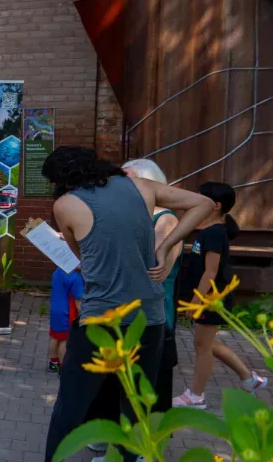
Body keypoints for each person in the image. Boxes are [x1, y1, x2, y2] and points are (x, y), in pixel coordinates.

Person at [41, 146, 214, 462]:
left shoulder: (65, 205)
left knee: (70, 403)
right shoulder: (141, 186)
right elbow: (203, 204)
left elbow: (82, 259)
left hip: (100, 319)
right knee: (134, 406)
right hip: (147, 318)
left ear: (59, 180)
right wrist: (166, 247)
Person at [171, 182, 268, 409]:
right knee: (206, 343)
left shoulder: (214, 233)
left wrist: (195, 303)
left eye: (200, 199)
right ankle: (249, 379)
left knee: (202, 346)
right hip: (205, 299)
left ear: (215, 206)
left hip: (211, 300)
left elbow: (211, 272)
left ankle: (196, 396)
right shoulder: (208, 230)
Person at [121, 158, 184, 414]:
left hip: (152, 314)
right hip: (127, 309)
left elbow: (153, 270)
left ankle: (148, 443)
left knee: (150, 382)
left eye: (127, 181)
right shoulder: (133, 216)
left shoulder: (165, 220)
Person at [48, 266, 83, 373]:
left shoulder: (57, 271)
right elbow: (78, 302)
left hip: (55, 310)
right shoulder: (76, 278)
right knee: (65, 340)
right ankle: (63, 368)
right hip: (67, 312)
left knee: (55, 337)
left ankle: (53, 363)